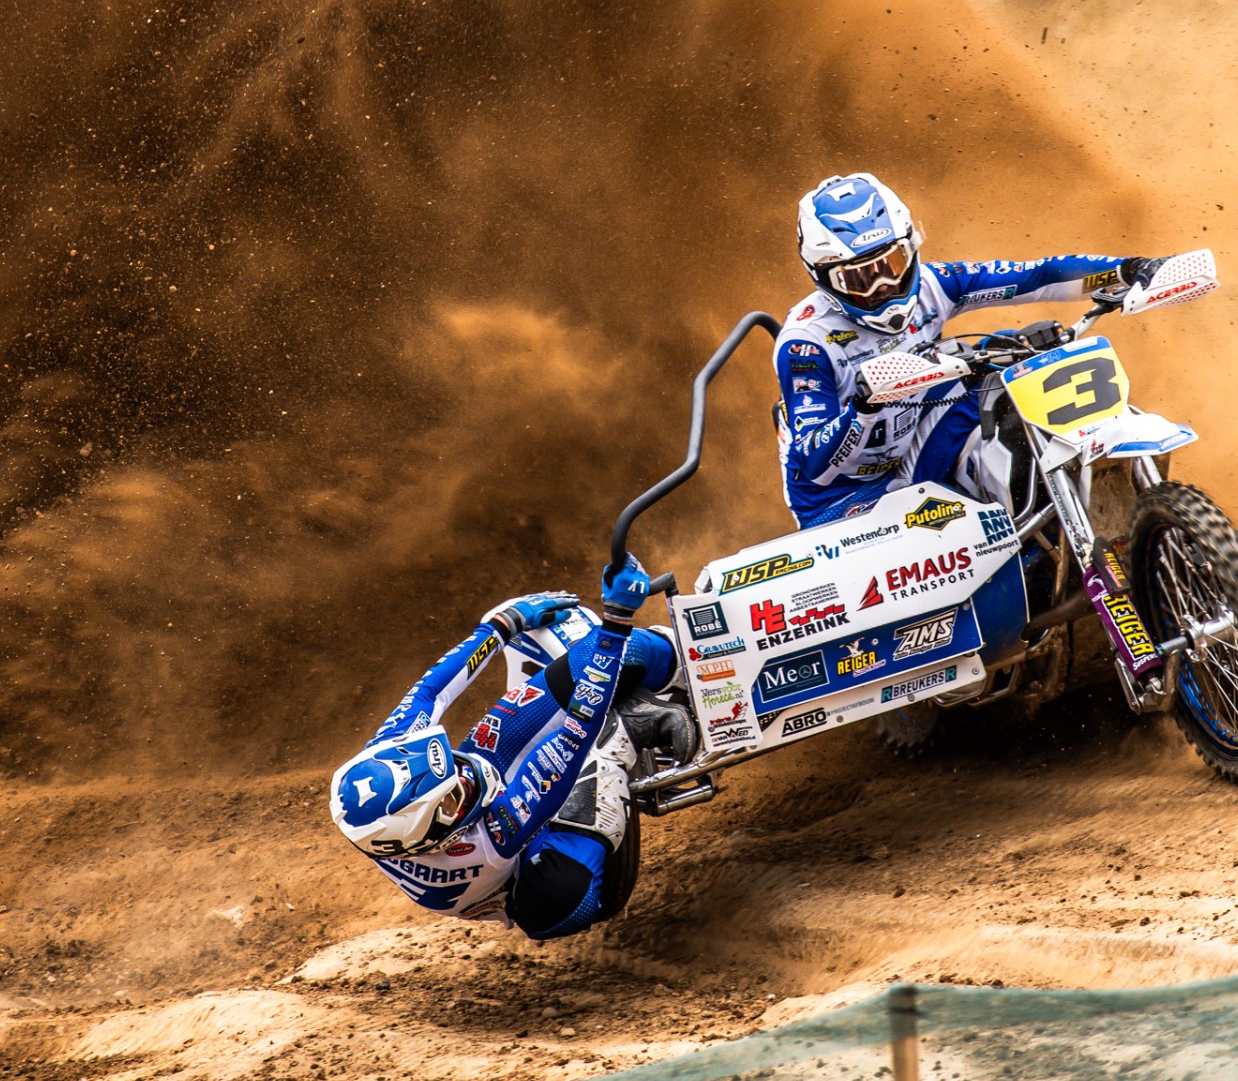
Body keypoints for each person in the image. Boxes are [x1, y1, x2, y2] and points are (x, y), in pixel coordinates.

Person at [329, 555, 696, 940]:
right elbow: (572, 739)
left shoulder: (384, 757)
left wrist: (502, 625)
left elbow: (430, 692)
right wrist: (617, 620)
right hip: (529, 871)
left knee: (621, 654)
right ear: (437, 838)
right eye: (452, 798)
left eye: (448, 766)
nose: (464, 779)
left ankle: (689, 658)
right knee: (559, 900)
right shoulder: (479, 848)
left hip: (492, 796)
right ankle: (628, 728)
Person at [778, 172, 1162, 528]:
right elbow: (815, 466)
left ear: (911, 248)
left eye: (893, 264)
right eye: (860, 277)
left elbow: (1035, 276)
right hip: (842, 499)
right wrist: (864, 407)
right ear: (824, 278)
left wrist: (1128, 270)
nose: (884, 286)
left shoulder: (934, 284)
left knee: (1007, 357)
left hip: (910, 451)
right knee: (987, 366)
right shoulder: (806, 343)